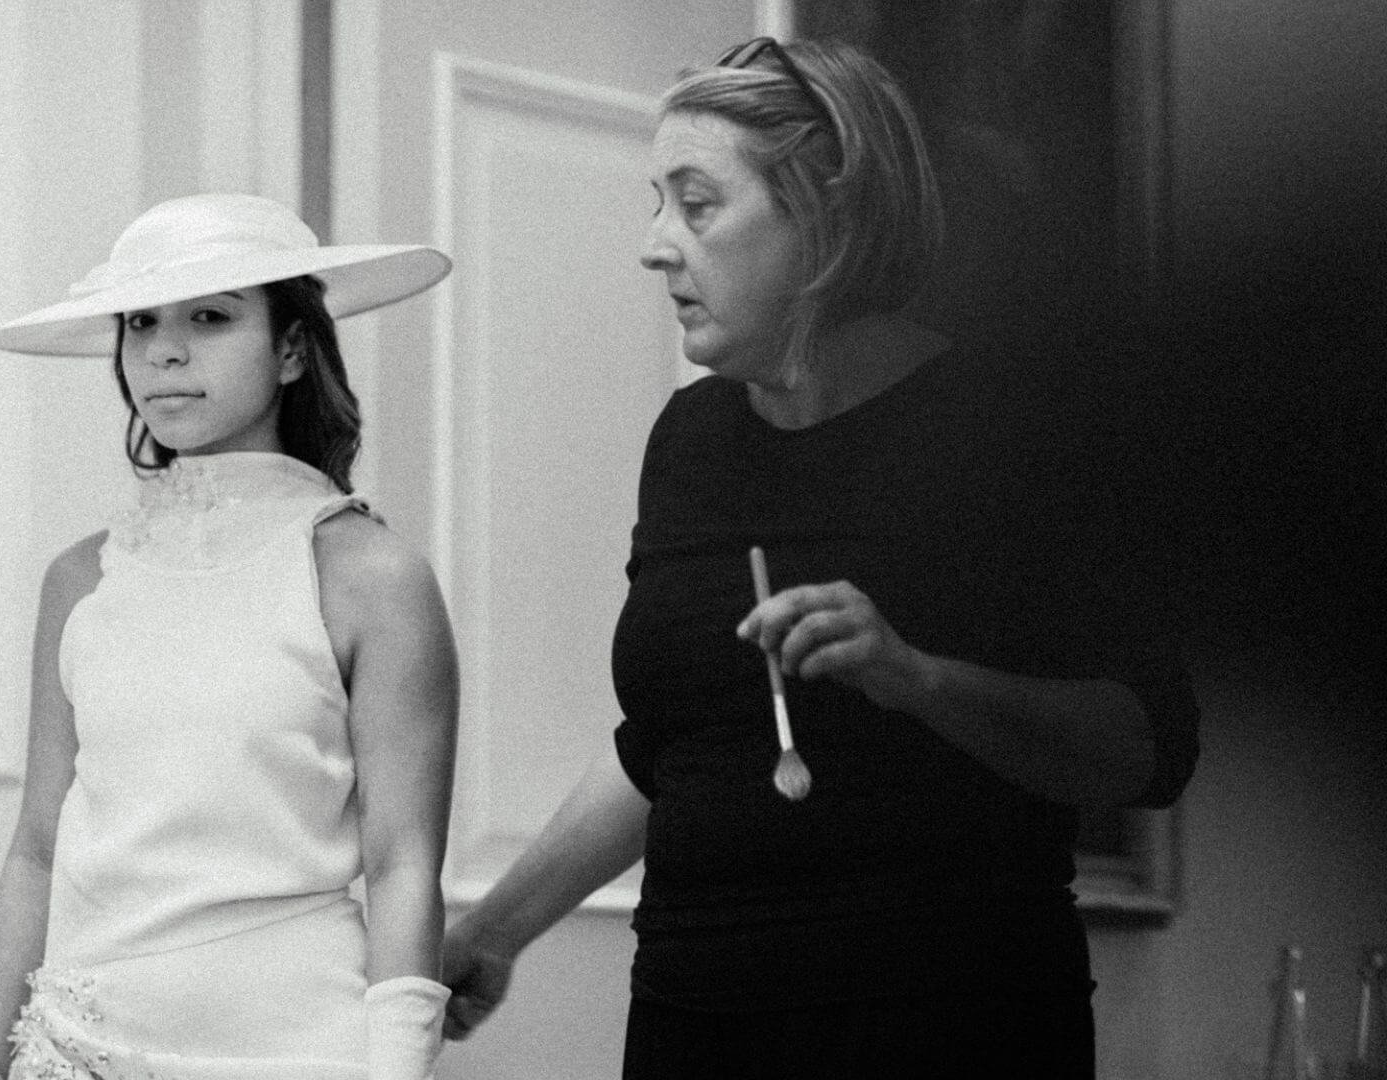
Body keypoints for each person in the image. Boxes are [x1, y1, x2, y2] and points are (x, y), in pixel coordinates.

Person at [439, 38, 1198, 1080]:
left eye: (696, 204)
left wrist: (916, 678)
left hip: (944, 1030)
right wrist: (496, 930)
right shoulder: (689, 442)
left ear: (826, 214)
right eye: (656, 204)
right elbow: (670, 748)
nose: (656, 245)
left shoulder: (1020, 434)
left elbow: (1145, 748)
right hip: (693, 1022)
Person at [0, 193, 459, 1080]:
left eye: (211, 318)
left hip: (301, 1050)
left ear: (293, 348)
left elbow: (403, 860)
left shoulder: (372, 577)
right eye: (141, 322)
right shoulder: (81, 582)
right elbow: (37, 849)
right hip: (82, 1052)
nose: (165, 351)